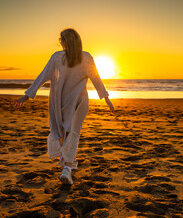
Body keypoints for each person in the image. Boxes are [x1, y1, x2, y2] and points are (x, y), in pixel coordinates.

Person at [13, 28, 114, 185]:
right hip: (72, 101)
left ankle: (66, 169)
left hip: (69, 101)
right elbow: (96, 79)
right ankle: (70, 161)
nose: (60, 42)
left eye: (61, 40)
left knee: (71, 132)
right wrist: (106, 98)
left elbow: (42, 76)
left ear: (66, 41)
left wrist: (26, 96)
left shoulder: (58, 57)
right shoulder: (83, 57)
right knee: (67, 131)